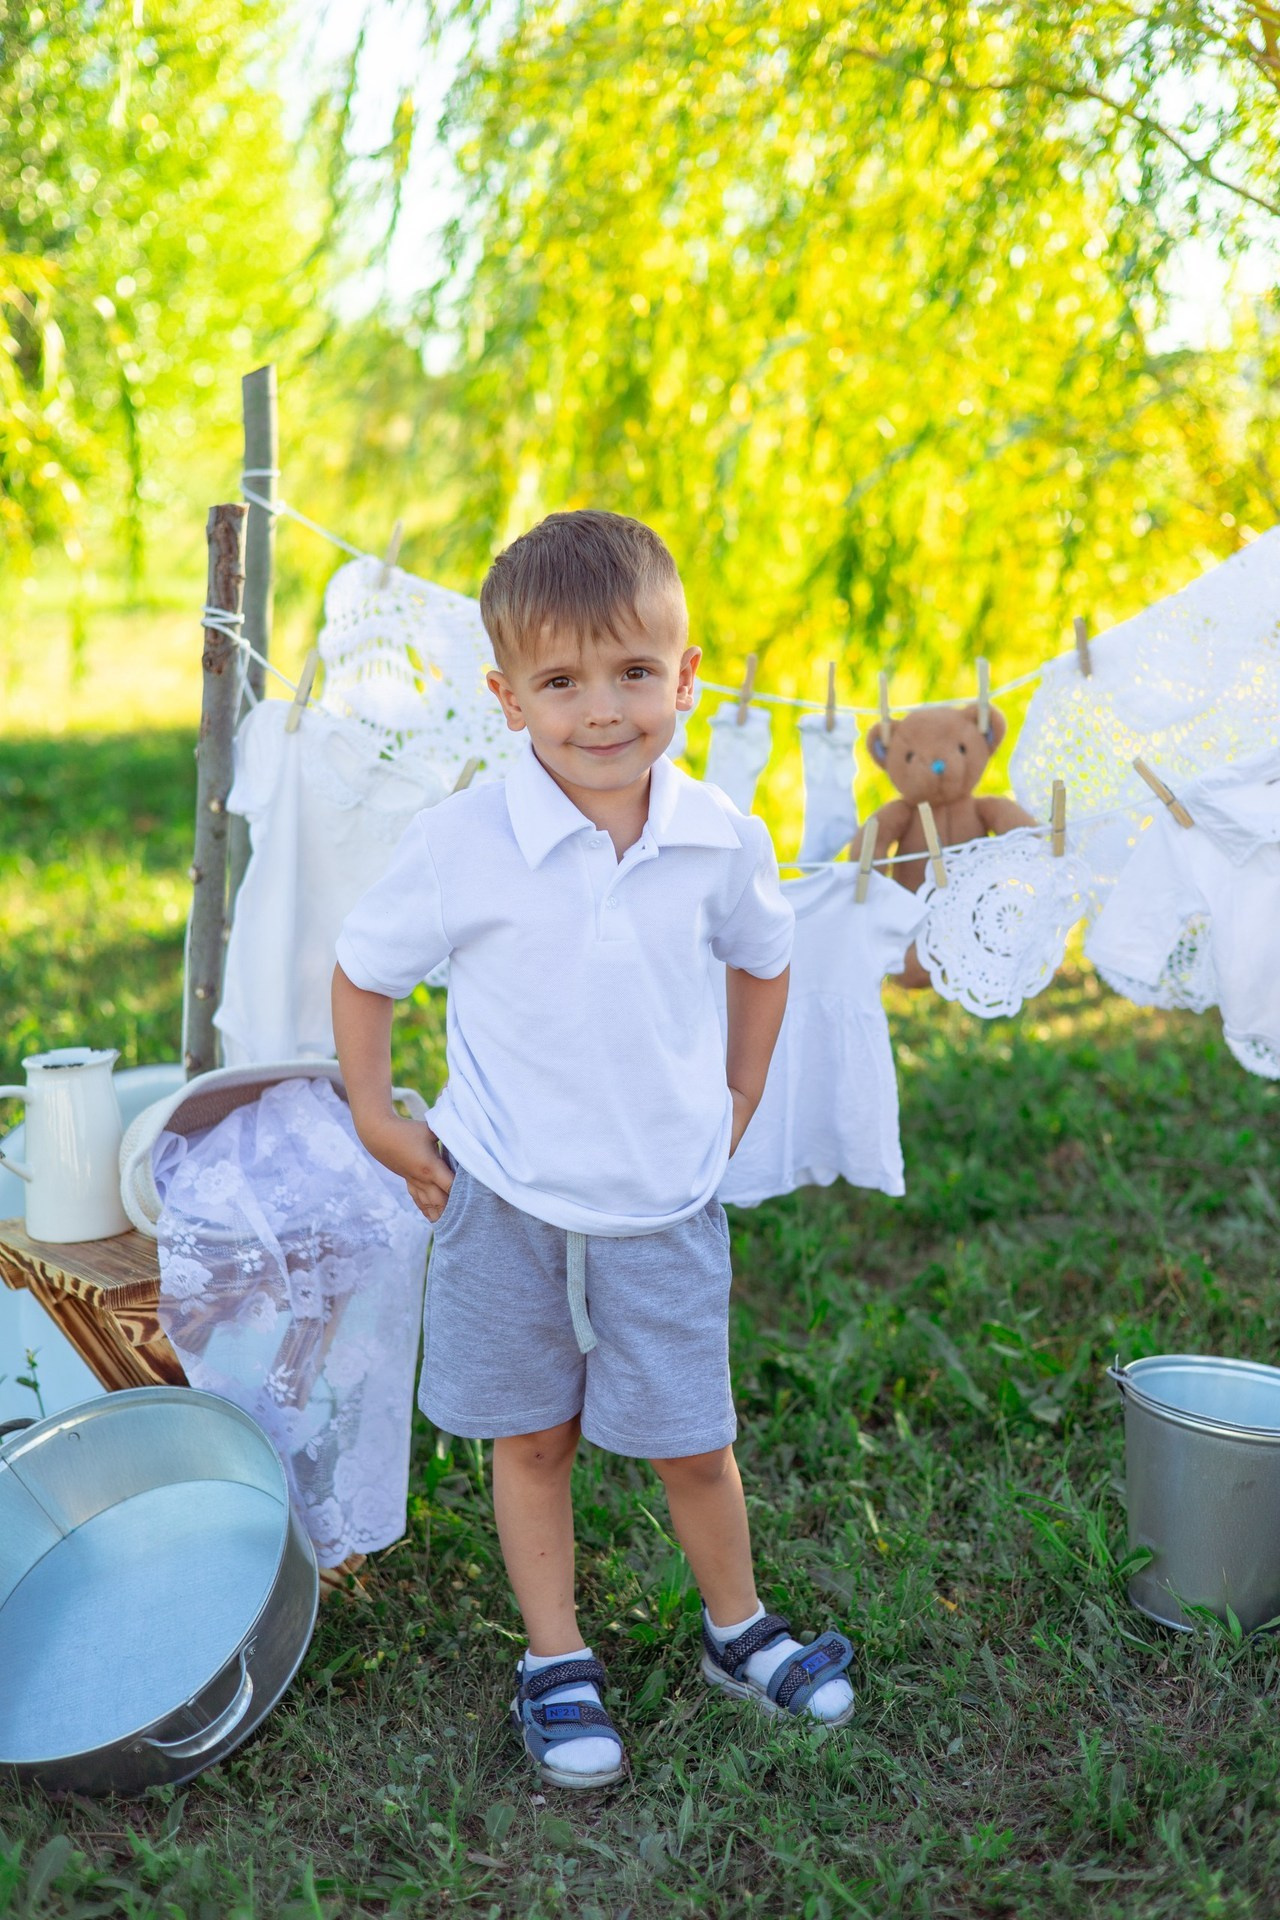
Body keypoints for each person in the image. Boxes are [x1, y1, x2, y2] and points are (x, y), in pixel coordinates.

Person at [332, 509, 855, 1789]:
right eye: (561, 681)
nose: (602, 709)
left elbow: (764, 960)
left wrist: (735, 1099)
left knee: (692, 1439)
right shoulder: (464, 843)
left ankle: (735, 1629)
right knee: (531, 1440)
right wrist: (372, 1113)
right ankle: (554, 1655)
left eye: (633, 672)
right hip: (503, 1195)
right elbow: (362, 971)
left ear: (686, 676)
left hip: (661, 1200)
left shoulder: (716, 837)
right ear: (508, 698)